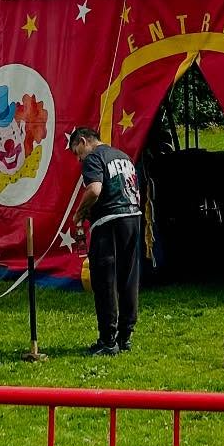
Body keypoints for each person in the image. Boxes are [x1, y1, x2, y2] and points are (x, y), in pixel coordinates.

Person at [68, 124, 142, 357]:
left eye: (77, 153)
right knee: (128, 278)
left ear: (83, 141)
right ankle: (125, 336)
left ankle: (108, 340)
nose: (79, 160)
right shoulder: (123, 156)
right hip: (133, 218)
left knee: (104, 282)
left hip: (109, 222)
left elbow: (95, 189)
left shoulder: (93, 158)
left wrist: (79, 213)